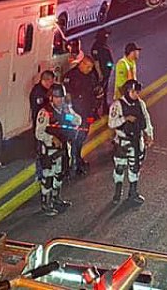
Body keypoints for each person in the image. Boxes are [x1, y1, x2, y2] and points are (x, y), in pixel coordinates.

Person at [36, 84, 80, 216]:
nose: (59, 100)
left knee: (59, 175)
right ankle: (46, 203)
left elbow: (78, 120)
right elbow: (39, 133)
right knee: (48, 177)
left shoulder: (66, 110)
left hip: (63, 150)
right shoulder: (45, 112)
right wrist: (52, 138)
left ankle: (56, 198)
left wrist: (68, 116)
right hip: (49, 151)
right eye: (56, 97)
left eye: (61, 97)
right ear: (51, 97)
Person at [108, 79, 154, 204]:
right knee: (119, 168)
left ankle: (133, 193)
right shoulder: (117, 105)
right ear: (128, 91)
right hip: (122, 143)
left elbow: (146, 120)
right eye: (134, 91)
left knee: (135, 168)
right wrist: (124, 119)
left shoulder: (141, 104)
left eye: (137, 92)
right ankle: (117, 193)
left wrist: (149, 135)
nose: (136, 94)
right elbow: (111, 123)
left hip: (136, 141)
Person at [63, 53, 103, 175]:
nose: (90, 69)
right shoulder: (70, 76)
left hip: (88, 112)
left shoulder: (90, 76)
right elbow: (67, 97)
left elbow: (95, 89)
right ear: (81, 64)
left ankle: (77, 159)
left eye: (91, 67)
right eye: (88, 67)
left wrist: (98, 94)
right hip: (75, 114)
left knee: (82, 136)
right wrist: (71, 114)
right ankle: (72, 163)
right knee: (75, 137)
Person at [90, 31, 115, 113]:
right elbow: (96, 61)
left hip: (106, 71)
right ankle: (95, 110)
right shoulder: (96, 47)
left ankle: (105, 107)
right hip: (100, 73)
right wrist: (100, 74)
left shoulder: (103, 46)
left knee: (105, 90)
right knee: (99, 91)